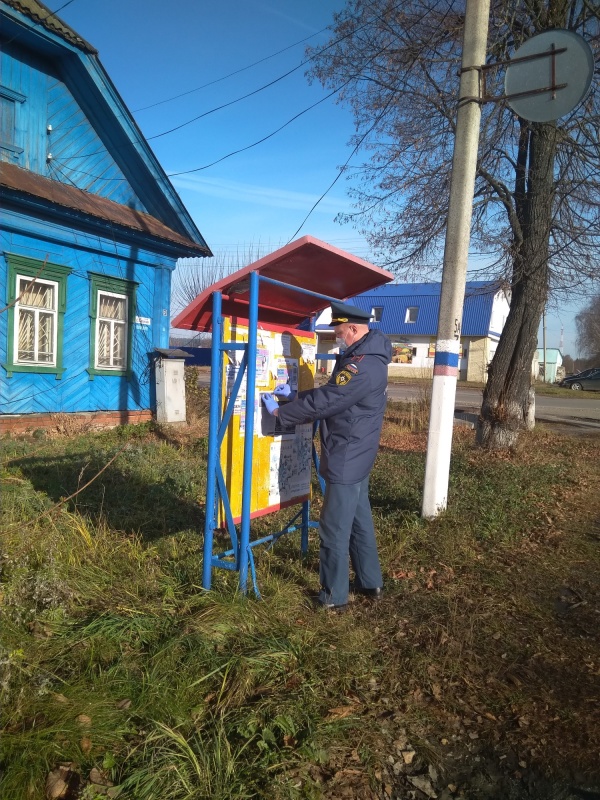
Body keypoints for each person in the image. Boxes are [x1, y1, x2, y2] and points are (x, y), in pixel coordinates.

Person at [262, 300, 392, 612]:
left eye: (338, 331)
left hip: (347, 455)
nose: (336, 336)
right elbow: (332, 394)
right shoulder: (365, 358)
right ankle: (369, 582)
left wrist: (282, 412)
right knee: (360, 521)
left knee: (334, 528)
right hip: (358, 452)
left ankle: (333, 598)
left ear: (353, 328)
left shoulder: (360, 365)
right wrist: (294, 396)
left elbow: (331, 399)